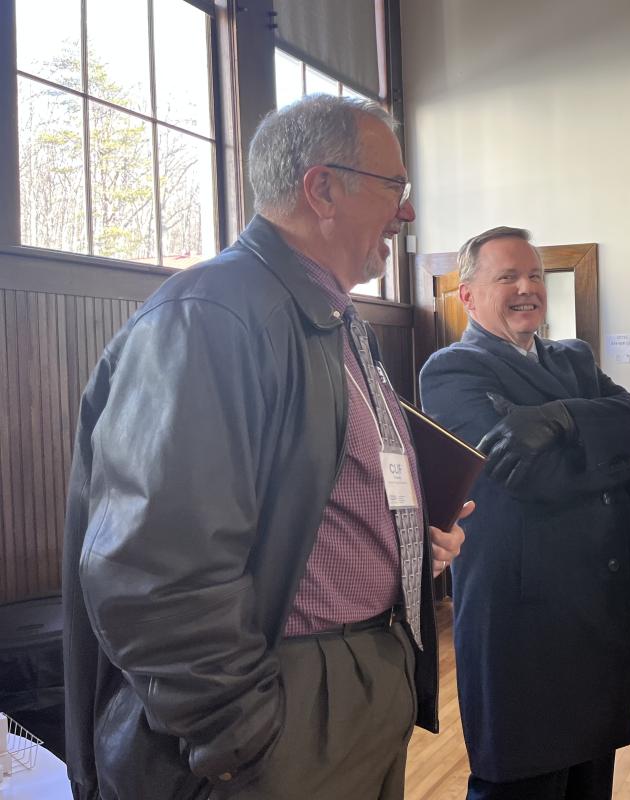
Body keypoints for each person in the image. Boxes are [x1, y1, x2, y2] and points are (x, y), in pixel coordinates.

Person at [61, 95, 469, 800]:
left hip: (359, 685)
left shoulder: (342, 322)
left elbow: (330, 502)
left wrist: (403, 544)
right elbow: (151, 569)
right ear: (322, 189)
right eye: (394, 188)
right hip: (285, 709)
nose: (406, 213)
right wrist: (241, 737)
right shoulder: (211, 316)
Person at [419, 226, 630, 800]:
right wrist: (613, 458)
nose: (527, 287)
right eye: (507, 276)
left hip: (596, 606)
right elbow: (523, 476)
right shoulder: (453, 371)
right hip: (521, 612)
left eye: (535, 274)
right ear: (469, 296)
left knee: (589, 777)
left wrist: (560, 418)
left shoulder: (572, 359)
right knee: (520, 777)